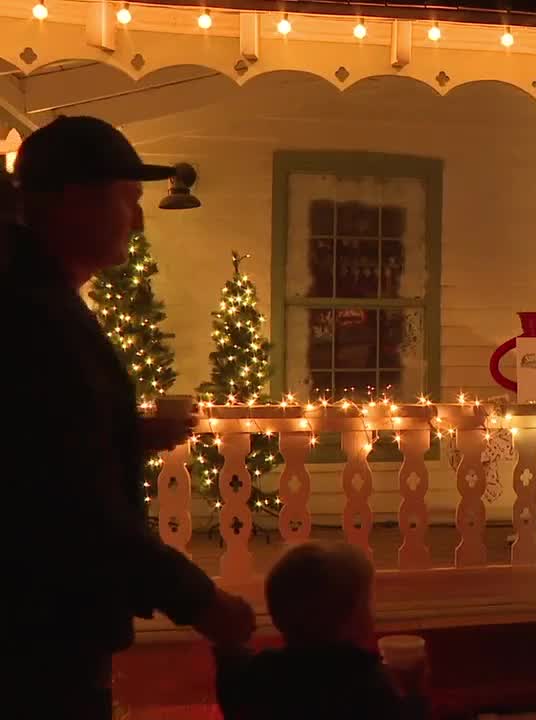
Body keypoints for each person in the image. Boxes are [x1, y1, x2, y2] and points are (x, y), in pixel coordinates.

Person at [3, 116, 255, 720]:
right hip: (36, 633)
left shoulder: (35, 298)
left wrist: (126, 435)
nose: (138, 222)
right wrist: (201, 602)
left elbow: (40, 446)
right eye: (130, 199)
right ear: (75, 201)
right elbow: (76, 510)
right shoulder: (38, 320)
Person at [215, 541, 429, 720]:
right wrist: (414, 693)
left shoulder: (264, 672)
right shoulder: (367, 682)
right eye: (367, 603)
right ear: (350, 620)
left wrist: (229, 646)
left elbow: (233, 695)